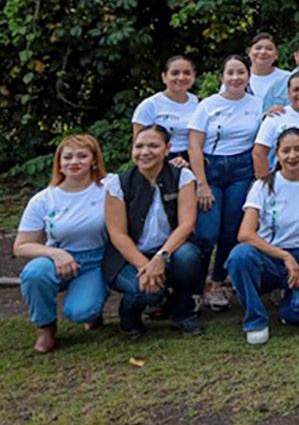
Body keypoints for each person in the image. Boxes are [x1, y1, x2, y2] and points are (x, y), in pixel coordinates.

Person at [225, 126, 299, 345]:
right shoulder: (263, 185)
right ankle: (255, 320)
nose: (292, 156)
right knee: (239, 256)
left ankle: (287, 307)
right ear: (277, 154)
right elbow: (245, 234)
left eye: (298, 149)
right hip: (267, 255)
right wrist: (284, 256)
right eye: (286, 151)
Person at [15, 135, 112, 354]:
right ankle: (46, 328)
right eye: (67, 157)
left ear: (94, 160)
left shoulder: (108, 188)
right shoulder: (44, 199)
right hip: (58, 259)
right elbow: (21, 246)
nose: (74, 162)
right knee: (34, 273)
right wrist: (56, 254)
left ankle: (92, 309)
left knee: (80, 312)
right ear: (59, 162)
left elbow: (143, 171)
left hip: (97, 261)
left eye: (82, 156)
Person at [104, 125, 204, 337]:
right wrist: (145, 266)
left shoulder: (182, 177)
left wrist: (160, 258)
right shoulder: (118, 183)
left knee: (188, 256)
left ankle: (183, 314)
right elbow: (117, 234)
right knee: (150, 292)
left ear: (167, 149)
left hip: (168, 251)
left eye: (153, 146)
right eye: (139, 146)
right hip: (129, 258)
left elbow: (187, 224)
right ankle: (129, 316)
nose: (145, 152)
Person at [187, 53, 263, 311]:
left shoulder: (257, 104)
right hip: (211, 169)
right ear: (222, 77)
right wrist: (201, 183)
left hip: (242, 170)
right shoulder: (208, 105)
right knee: (207, 233)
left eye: (241, 72)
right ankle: (194, 287)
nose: (235, 77)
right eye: (230, 72)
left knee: (231, 232)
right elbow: (194, 145)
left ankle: (217, 283)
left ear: (248, 76)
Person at [131, 54, 200, 160]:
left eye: (187, 73)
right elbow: (138, 148)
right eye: (175, 73)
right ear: (164, 77)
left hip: (193, 159)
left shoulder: (198, 103)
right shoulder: (149, 106)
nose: (181, 77)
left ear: (194, 76)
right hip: (159, 159)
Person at [246, 32, 290, 102]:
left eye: (269, 49)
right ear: (249, 52)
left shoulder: (287, 78)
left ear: (276, 55)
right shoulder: (238, 78)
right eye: (258, 48)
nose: (263, 52)